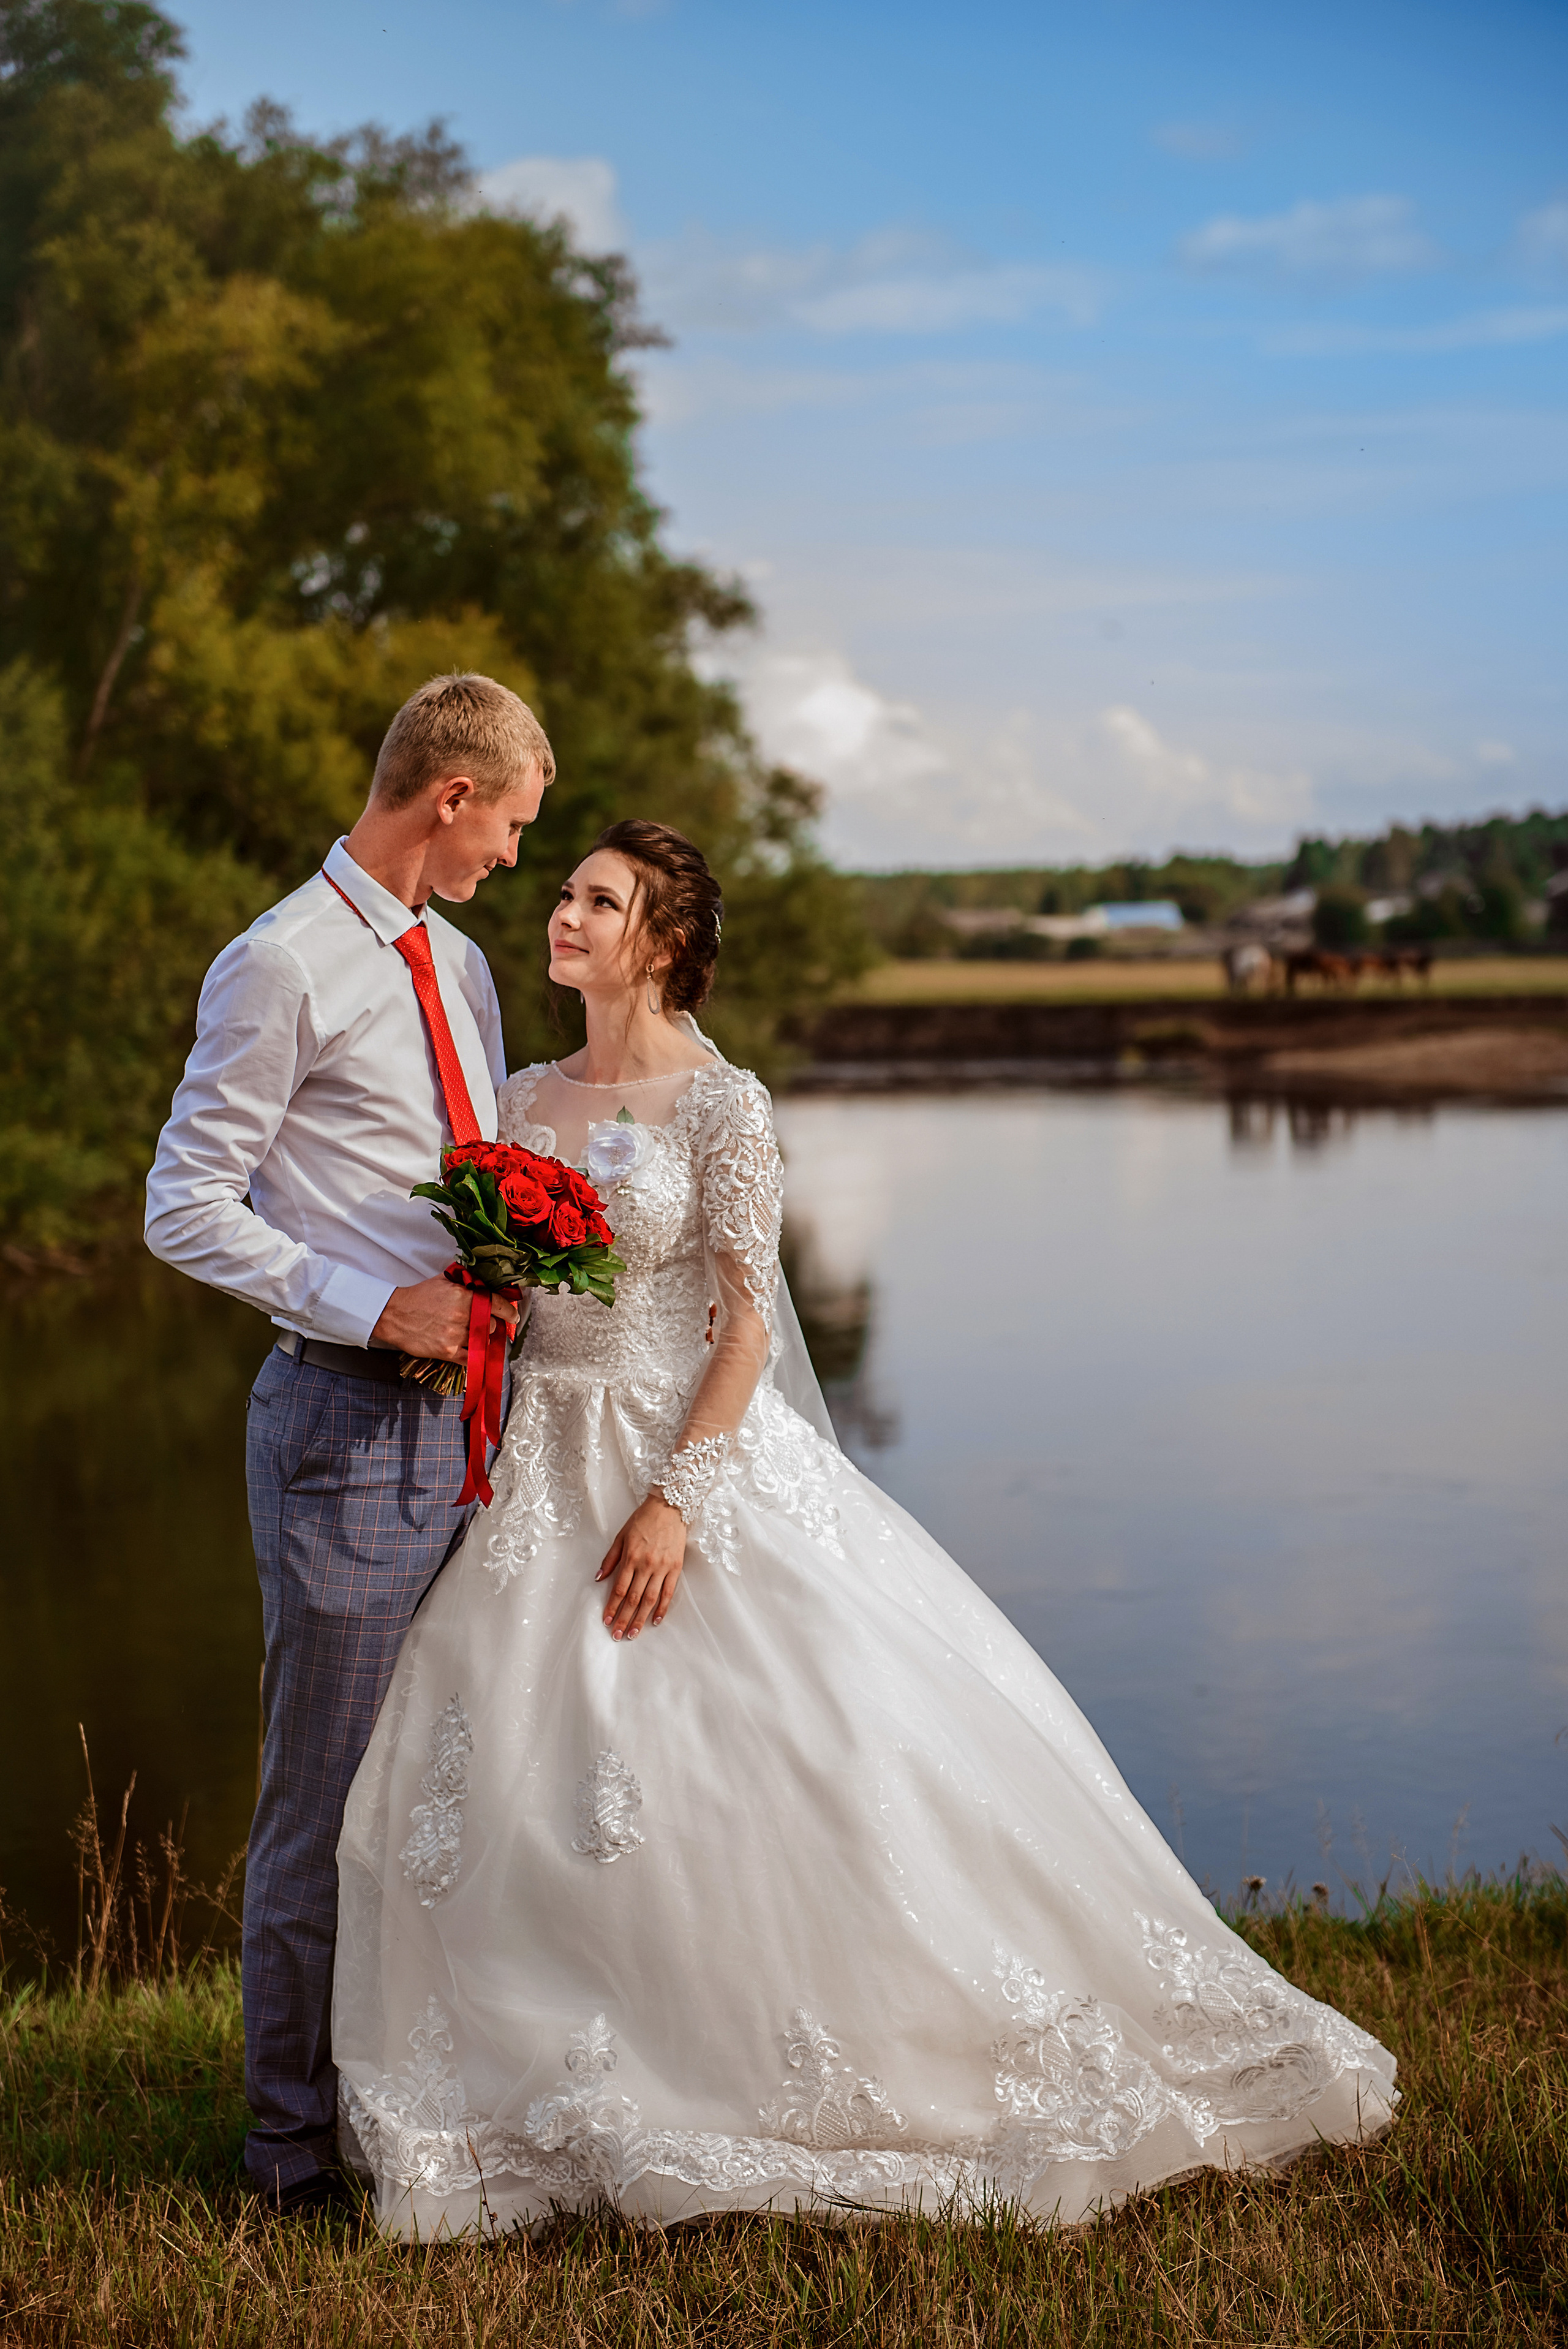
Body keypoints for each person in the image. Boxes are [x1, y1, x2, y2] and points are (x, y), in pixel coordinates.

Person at [334, 819, 1397, 2238]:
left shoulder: (723, 1105)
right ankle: (530, 2075)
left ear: (661, 943)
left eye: (599, 899)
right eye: (566, 892)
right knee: (502, 1769)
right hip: (537, 1457)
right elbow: (516, 1295)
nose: (563, 915)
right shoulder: (521, 1098)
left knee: (784, 1756)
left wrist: (673, 1503)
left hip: (677, 1454)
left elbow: (744, 1328)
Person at [145, 672, 553, 2216]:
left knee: (460, 1787)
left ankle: (421, 2104)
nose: (517, 856)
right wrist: (372, 1305)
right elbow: (182, 1204)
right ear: (449, 797)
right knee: (323, 1800)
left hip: (483, 1426)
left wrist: (515, 1259)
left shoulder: (458, 963)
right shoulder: (277, 964)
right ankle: (287, 2148)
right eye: (510, 824)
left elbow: (461, 1169)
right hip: (342, 1428)